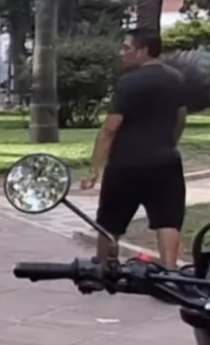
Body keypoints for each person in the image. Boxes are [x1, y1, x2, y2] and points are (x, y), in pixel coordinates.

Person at [80, 29, 187, 269]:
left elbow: (110, 129)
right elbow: (181, 117)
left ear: (143, 50)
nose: (122, 53)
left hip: (126, 163)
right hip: (166, 161)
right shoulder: (176, 78)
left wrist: (94, 169)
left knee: (110, 219)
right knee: (168, 219)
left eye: (127, 48)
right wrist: (169, 142)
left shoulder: (129, 83)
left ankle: (103, 265)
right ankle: (169, 271)